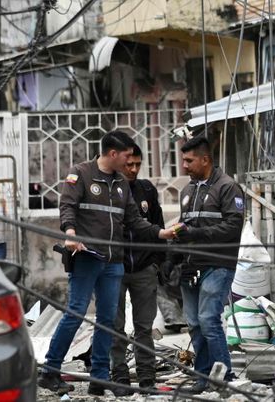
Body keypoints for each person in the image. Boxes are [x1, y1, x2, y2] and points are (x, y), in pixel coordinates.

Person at [37, 131, 178, 397]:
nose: (129, 163)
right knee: (76, 312)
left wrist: (160, 233)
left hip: (115, 262)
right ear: (113, 154)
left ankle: (100, 377)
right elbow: (67, 207)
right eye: (126, 157)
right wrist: (70, 234)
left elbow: (134, 220)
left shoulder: (122, 184)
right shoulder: (80, 174)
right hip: (87, 257)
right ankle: (50, 370)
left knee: (107, 321)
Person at [172, 135, 245, 394]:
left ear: (206, 160)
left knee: (208, 320)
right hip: (190, 267)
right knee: (193, 322)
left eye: (189, 160)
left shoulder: (228, 188)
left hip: (218, 264)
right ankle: (202, 378)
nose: (184, 166)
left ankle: (223, 377)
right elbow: (184, 227)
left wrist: (195, 234)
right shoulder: (187, 191)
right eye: (183, 160)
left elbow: (233, 226)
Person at [109, 144, 165, 393]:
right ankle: (119, 376)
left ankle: (147, 377)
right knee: (115, 326)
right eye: (128, 164)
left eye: (137, 165)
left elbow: (158, 227)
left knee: (144, 327)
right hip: (114, 268)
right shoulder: (107, 190)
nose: (133, 169)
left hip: (144, 269)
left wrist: (158, 262)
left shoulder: (147, 190)